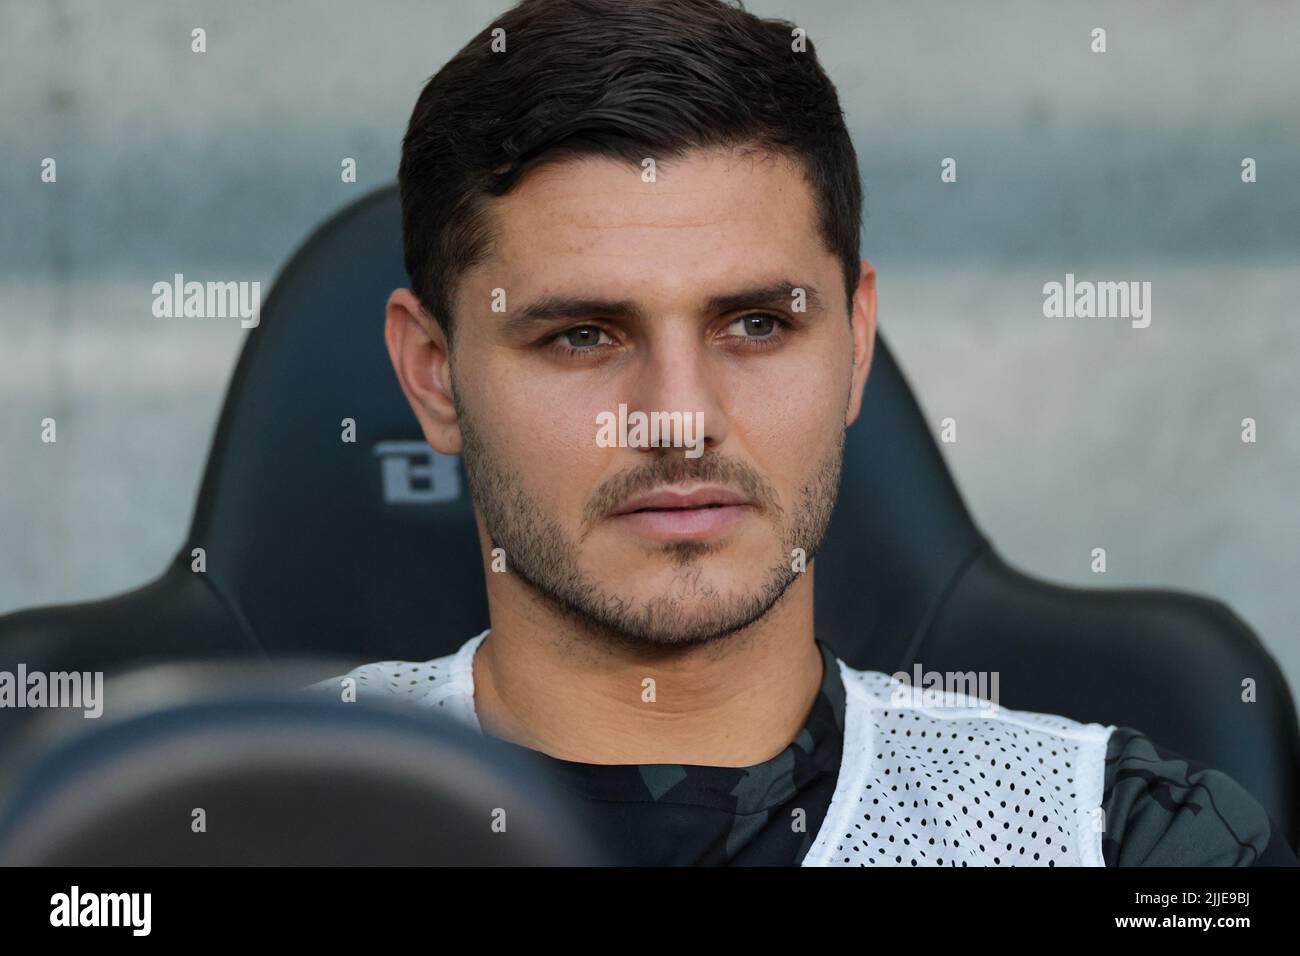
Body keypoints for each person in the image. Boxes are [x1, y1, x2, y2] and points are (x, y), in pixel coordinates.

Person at [311, 0, 1294, 866]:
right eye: (579, 334)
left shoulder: (1121, 840)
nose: (681, 418)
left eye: (756, 325)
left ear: (856, 342)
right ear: (434, 375)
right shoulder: (235, 802)